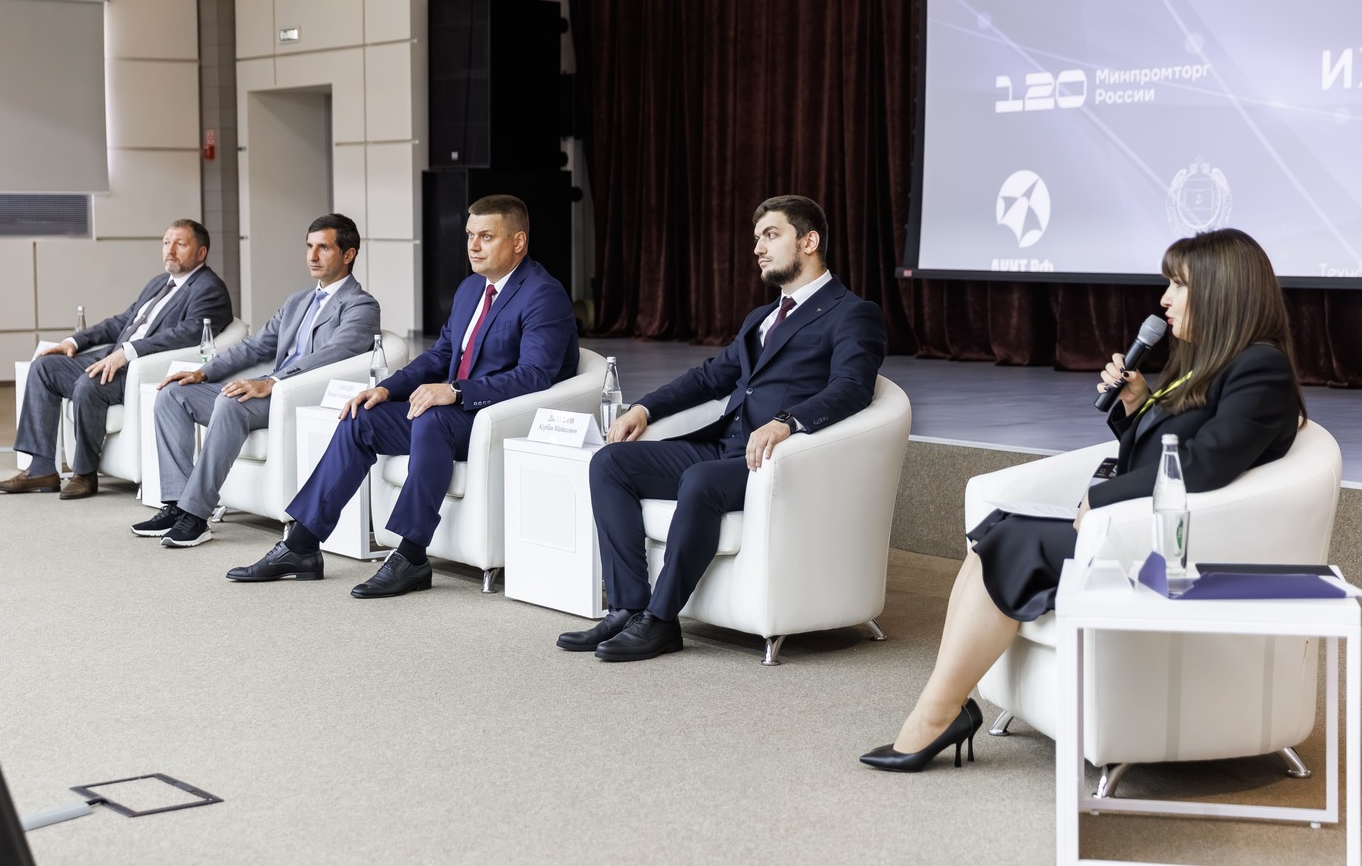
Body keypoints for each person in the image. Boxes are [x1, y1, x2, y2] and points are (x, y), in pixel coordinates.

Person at [860, 227, 1306, 772]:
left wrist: (1103, 497)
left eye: (1178, 284)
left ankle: (937, 716)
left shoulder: (1260, 367)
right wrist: (1138, 406)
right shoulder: (1208, 364)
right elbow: (1170, 452)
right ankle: (940, 709)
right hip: (1145, 529)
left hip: (1183, 550)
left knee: (1011, 542)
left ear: (1222, 292)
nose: (1164, 299)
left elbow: (1204, 465)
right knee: (999, 534)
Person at [556, 195, 887, 662]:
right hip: (723, 446)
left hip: (772, 460)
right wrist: (645, 408)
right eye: (757, 238)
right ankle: (628, 607)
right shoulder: (762, 317)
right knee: (610, 463)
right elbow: (711, 377)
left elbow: (852, 388)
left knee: (700, 480)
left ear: (809, 241)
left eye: (771, 235)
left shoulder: (853, 312)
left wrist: (788, 422)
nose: (758, 248)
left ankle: (661, 621)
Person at [225, 194, 579, 594]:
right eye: (469, 235)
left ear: (518, 242)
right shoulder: (471, 290)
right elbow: (441, 354)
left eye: (486, 237)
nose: (474, 246)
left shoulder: (543, 294)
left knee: (432, 419)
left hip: (496, 417)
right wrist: (384, 388)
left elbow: (534, 375)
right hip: (453, 414)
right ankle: (301, 545)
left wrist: (456, 390)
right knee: (361, 418)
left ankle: (411, 556)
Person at [137, 214, 381, 547]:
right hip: (269, 390)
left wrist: (273, 382)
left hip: (299, 396)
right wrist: (203, 372)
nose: (312, 256)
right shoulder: (298, 301)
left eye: (323, 248)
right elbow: (256, 345)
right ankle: (177, 504)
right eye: (309, 246)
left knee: (230, 402)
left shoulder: (361, 305)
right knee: (172, 395)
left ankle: (195, 515)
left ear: (348, 254)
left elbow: (333, 354)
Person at [0, 219, 233, 500]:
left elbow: (187, 334)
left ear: (201, 252)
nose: (170, 250)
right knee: (44, 367)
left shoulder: (209, 288)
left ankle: (84, 474)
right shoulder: (159, 283)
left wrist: (128, 352)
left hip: (142, 370)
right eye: (167, 243)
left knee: (89, 383)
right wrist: (74, 341)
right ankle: (41, 469)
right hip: (113, 358)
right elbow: (122, 321)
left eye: (180, 244)